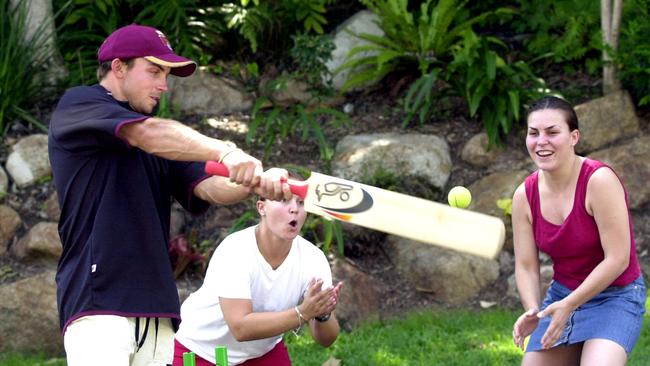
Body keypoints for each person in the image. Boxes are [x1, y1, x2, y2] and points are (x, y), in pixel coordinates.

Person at [48, 23, 291, 366]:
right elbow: (147, 135)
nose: (163, 84)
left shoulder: (163, 140)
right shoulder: (81, 105)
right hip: (99, 303)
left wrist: (257, 182)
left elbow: (211, 187)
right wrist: (226, 151)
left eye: (166, 74)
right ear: (118, 67)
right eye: (154, 71)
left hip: (158, 311)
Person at [511, 96, 646, 365]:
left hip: (615, 296)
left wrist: (571, 304)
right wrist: (533, 309)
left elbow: (618, 259)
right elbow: (526, 265)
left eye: (552, 132)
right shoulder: (524, 196)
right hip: (562, 295)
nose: (541, 141)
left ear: (574, 137)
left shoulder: (599, 181)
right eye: (533, 133)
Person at [172, 188, 343, 366]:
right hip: (202, 350)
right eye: (283, 200)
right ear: (262, 208)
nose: (294, 209)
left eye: (300, 202)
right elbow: (240, 328)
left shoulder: (312, 259)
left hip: (262, 352)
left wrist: (323, 314)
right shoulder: (235, 249)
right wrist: (303, 312)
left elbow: (326, 340)